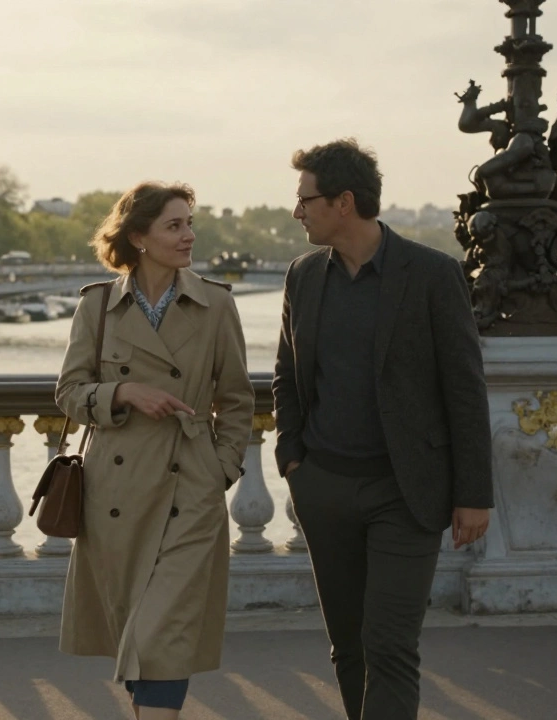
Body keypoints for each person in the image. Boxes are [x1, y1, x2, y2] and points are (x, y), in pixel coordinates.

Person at [274, 138, 493, 720]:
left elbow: (465, 390)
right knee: (348, 648)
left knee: (390, 646)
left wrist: (474, 494)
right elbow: (287, 377)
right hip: (325, 487)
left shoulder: (432, 275)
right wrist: (294, 461)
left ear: (343, 202)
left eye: (305, 200)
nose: (298, 211)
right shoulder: (303, 276)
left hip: (406, 492)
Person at [56, 181, 255, 719]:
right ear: (139, 236)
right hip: (115, 492)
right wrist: (123, 392)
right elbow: (69, 393)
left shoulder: (216, 304)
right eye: (174, 225)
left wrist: (222, 468)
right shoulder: (97, 307)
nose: (189, 235)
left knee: (162, 628)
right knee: (137, 629)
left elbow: (237, 399)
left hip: (189, 487)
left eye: (190, 223)